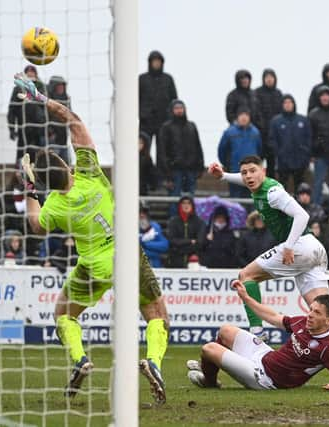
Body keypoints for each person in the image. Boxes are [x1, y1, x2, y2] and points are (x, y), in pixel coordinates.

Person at [13, 73, 169, 404]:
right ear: (67, 166)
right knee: (158, 317)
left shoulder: (54, 205)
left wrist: (28, 190)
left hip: (93, 265)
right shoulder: (89, 174)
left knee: (63, 315)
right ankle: (153, 362)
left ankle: (81, 359)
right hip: (127, 255)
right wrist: (44, 101)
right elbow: (75, 124)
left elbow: (36, 227)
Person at [208, 155, 329, 367]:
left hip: (300, 246)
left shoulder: (272, 193)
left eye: (253, 171)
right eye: (244, 172)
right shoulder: (258, 186)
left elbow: (302, 215)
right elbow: (245, 179)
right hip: (314, 249)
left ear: (263, 171)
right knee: (321, 309)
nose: (248, 176)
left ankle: (257, 335)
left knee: (246, 276)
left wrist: (289, 246)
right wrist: (224, 176)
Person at [187, 285, 329, 392]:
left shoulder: (327, 348)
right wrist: (246, 297)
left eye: (317, 313)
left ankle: (210, 381)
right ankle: (207, 367)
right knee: (226, 330)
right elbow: (272, 316)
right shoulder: (302, 321)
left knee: (209, 348)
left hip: (265, 379)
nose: (310, 315)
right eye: (310, 309)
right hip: (264, 355)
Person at [157, 99, 204, 196]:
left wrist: (200, 167)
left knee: (190, 201)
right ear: (172, 110)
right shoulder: (166, 128)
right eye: (176, 108)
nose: (179, 110)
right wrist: (166, 172)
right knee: (174, 199)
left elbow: (198, 147)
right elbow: (162, 151)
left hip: (191, 170)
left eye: (181, 108)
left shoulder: (191, 126)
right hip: (174, 171)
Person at [269, 95, 311, 193]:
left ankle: (299, 207)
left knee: (300, 188)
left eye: (290, 102)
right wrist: (279, 153)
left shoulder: (302, 120)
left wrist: (305, 154)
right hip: (283, 161)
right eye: (285, 103)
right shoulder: (276, 121)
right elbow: (272, 140)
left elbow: (308, 139)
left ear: (294, 104)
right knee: (282, 188)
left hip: (300, 161)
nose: (288, 105)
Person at [139, 50, 178, 154]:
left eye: (158, 61)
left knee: (163, 150)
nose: (156, 64)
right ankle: (145, 170)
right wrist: (142, 115)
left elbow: (174, 100)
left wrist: (170, 117)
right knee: (144, 148)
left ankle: (161, 170)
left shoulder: (168, 79)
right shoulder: (142, 79)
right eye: (154, 61)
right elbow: (136, 100)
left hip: (163, 121)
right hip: (146, 122)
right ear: (150, 63)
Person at [217, 107, 262, 198]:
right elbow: (222, 151)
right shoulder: (229, 132)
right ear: (237, 117)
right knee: (236, 199)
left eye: (246, 115)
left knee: (252, 199)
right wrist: (228, 165)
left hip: (252, 174)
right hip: (235, 171)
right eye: (241, 115)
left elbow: (260, 151)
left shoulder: (255, 132)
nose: (244, 117)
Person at [7, 65, 47, 164]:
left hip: (39, 130)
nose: (30, 73)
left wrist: (49, 128)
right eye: (27, 71)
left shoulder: (42, 88)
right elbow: (12, 110)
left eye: (32, 71)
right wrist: (12, 129)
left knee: (39, 159)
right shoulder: (18, 89)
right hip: (23, 129)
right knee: (22, 158)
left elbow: (48, 108)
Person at [254, 69, 283, 177]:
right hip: (260, 135)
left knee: (272, 165)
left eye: (271, 77)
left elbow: (281, 113)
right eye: (267, 77)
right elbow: (256, 112)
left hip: (274, 137)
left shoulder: (278, 94)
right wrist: (262, 126)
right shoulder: (257, 93)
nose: (269, 79)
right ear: (263, 79)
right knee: (257, 165)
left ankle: (270, 190)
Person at [165, 196, 205, 268]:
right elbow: (172, 240)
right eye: (183, 203)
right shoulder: (173, 222)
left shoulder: (199, 222)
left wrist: (181, 248)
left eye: (189, 203)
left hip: (194, 262)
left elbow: (200, 242)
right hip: (175, 261)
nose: (186, 205)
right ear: (180, 205)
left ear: (192, 206)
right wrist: (190, 241)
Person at [46, 75, 71, 163]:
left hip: (64, 139)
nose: (61, 88)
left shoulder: (66, 99)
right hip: (53, 138)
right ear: (54, 87)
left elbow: (69, 116)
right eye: (59, 86)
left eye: (62, 86)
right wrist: (50, 132)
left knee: (67, 164)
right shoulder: (48, 101)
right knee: (54, 164)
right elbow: (44, 118)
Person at [139, 131, 158, 195]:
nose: (138, 145)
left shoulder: (147, 159)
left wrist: (153, 185)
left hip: (142, 188)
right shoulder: (128, 158)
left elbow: (151, 174)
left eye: (140, 143)